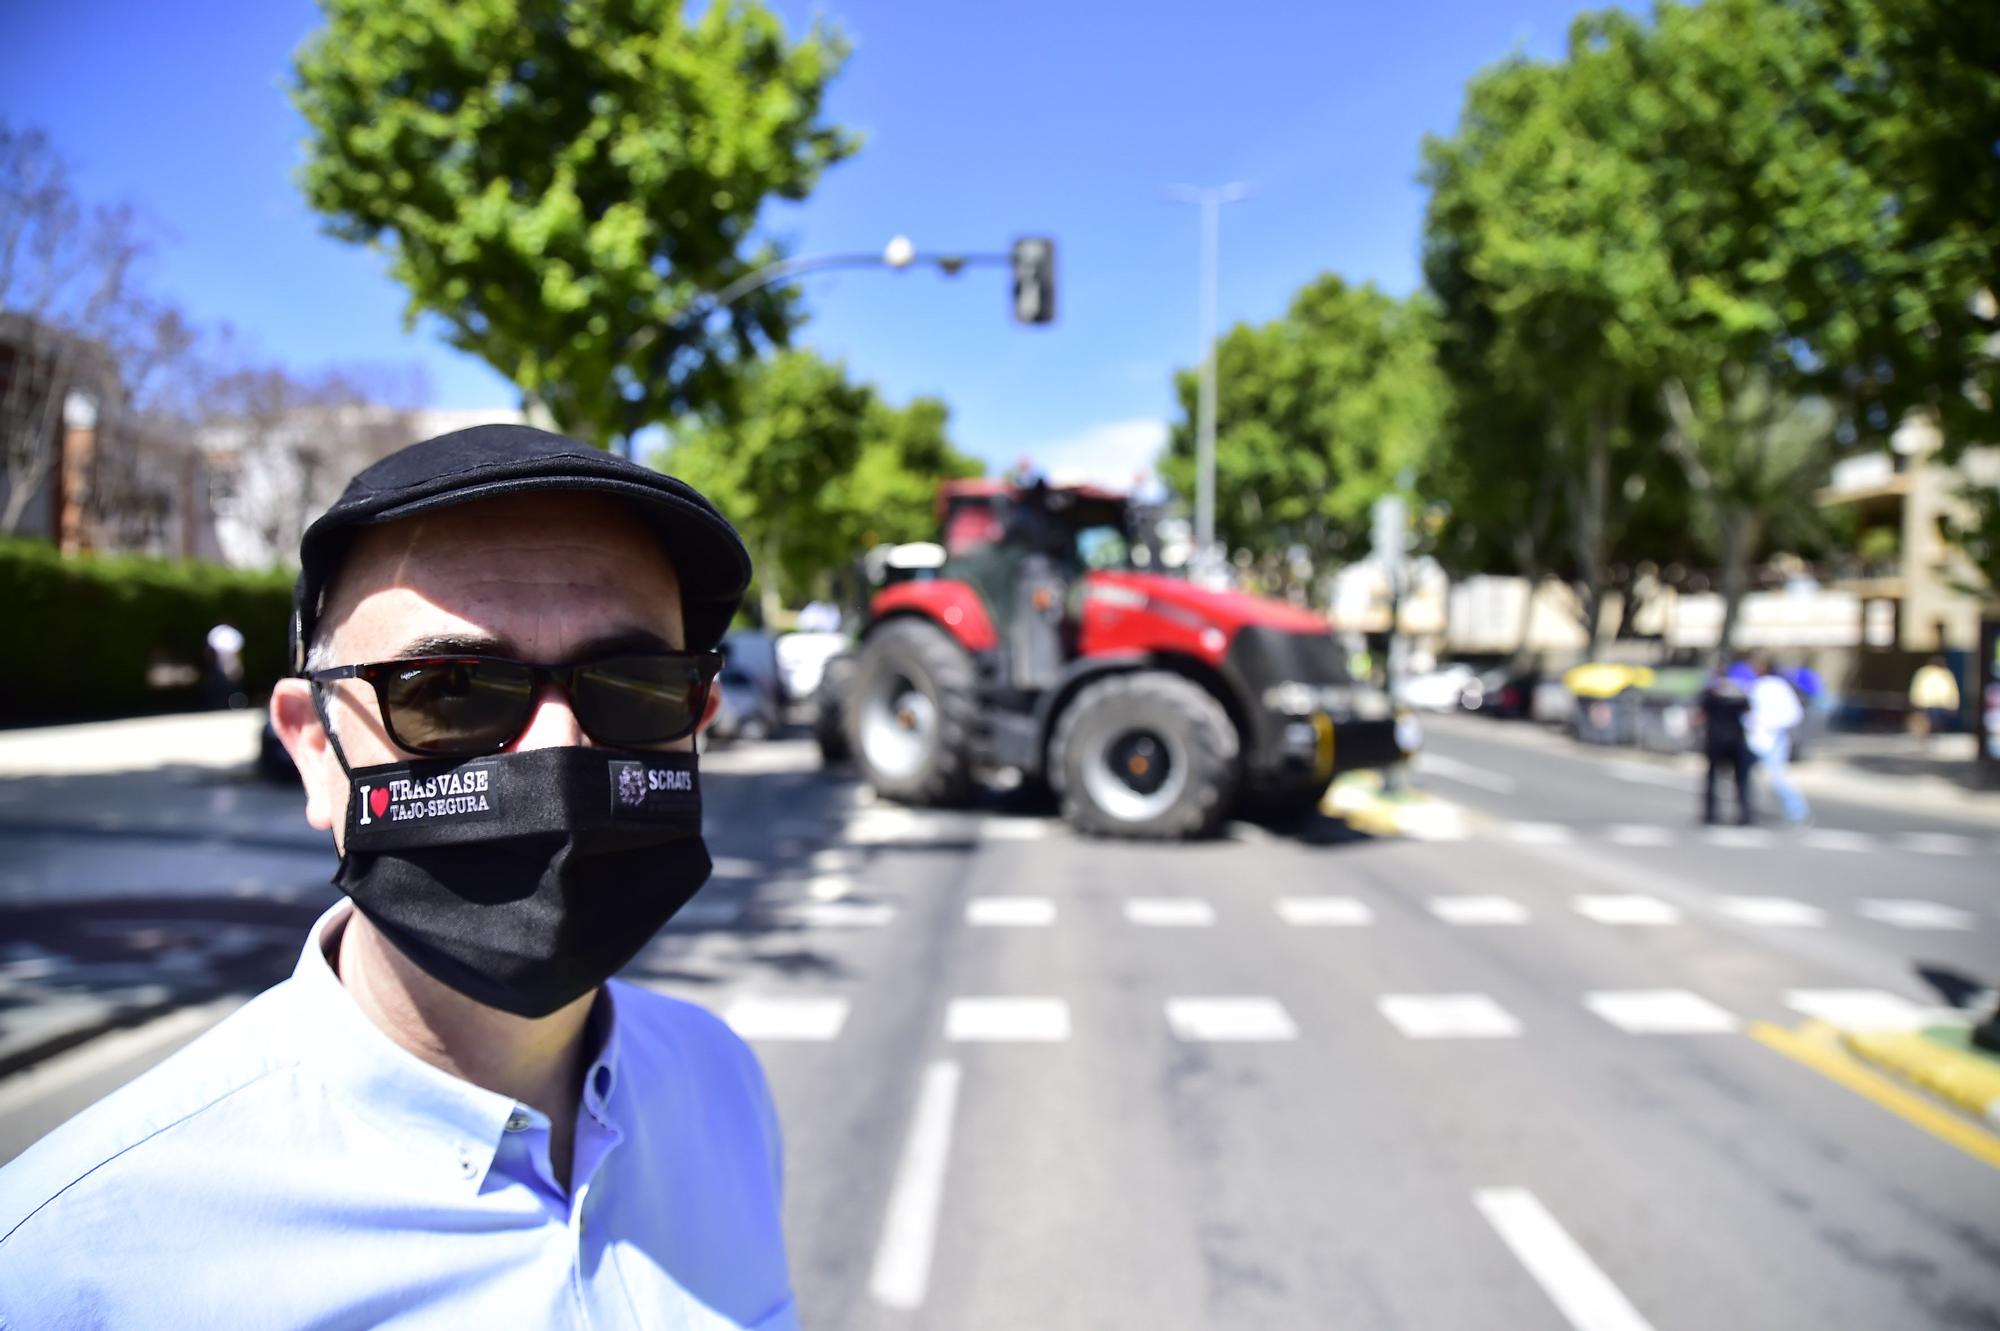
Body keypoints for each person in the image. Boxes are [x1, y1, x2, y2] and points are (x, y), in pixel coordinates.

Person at [0, 426, 797, 1328]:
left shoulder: (723, 1085)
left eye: (637, 684)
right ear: (312, 747)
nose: (559, 748)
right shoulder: (68, 1265)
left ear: (697, 717)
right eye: (450, 689)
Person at [1746, 653, 1809, 826]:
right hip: (1757, 737)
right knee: (1749, 775)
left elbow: (1794, 714)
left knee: (1777, 777)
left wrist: (1772, 725)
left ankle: (1797, 811)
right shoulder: (1758, 686)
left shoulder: (1776, 687)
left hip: (1773, 738)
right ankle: (1750, 809)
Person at [1699, 659, 1755, 825]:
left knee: (1712, 779)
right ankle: (1744, 815)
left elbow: (1701, 714)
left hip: (1715, 740)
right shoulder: (1739, 693)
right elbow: (1749, 712)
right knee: (1741, 781)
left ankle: (1710, 815)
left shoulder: (1712, 692)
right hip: (1736, 740)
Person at [1909, 655, 1960, 739]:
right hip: (1927, 704)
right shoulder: (1924, 672)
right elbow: (1918, 687)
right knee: (1926, 723)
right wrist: (1915, 700)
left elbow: (1951, 690)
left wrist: (1953, 704)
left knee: (1938, 723)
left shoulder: (1946, 673)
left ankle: (1935, 737)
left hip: (1940, 705)